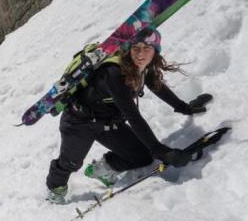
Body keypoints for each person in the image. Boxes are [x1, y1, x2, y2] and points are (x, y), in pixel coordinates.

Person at [45, 29, 211, 204]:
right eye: (136, 48)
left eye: (147, 48)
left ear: (155, 51)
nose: (140, 54)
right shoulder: (113, 72)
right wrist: (161, 151)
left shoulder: (142, 68)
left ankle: (104, 168)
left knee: (142, 156)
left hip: (108, 121)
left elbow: (157, 86)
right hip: (79, 121)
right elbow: (133, 116)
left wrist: (184, 107)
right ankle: (55, 190)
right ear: (128, 49)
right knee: (70, 163)